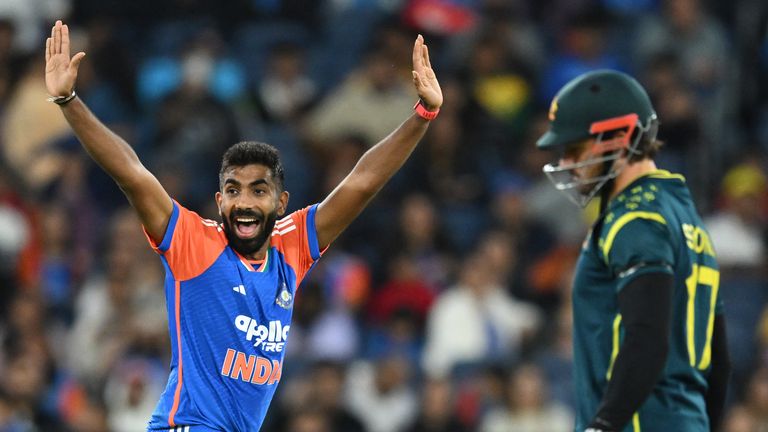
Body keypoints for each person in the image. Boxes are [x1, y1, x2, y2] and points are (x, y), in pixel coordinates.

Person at [44, 19, 443, 432]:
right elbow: (133, 173)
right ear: (220, 202)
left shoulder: (293, 248)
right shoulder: (194, 244)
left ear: (281, 202)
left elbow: (361, 183)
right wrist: (70, 101)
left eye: (258, 190)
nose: (245, 203)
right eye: (233, 191)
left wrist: (422, 114)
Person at [536, 69, 730, 432]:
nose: (566, 164)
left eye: (576, 148)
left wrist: (603, 426)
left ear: (620, 138)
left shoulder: (633, 220)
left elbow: (647, 336)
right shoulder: (686, 217)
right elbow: (718, 361)